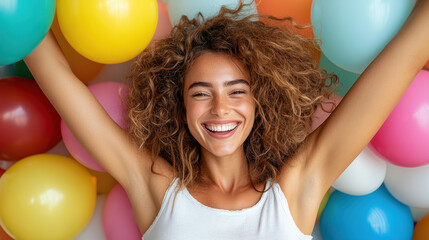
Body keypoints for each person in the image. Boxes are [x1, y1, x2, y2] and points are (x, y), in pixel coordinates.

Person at [24, 1, 429, 239]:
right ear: (179, 106)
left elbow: (401, 62)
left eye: (237, 91)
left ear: (259, 103)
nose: (220, 108)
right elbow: (62, 86)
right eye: (200, 93)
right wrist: (17, 20)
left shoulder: (294, 190)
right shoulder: (156, 188)